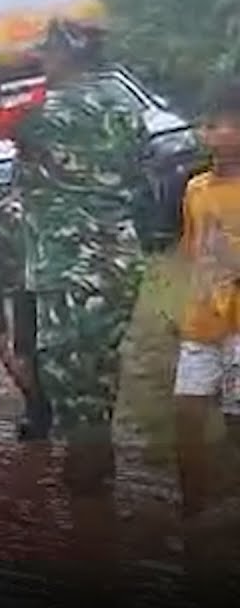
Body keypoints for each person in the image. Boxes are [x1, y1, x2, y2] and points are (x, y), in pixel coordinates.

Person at [12, 19, 155, 555]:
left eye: (45, 51)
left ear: (66, 55)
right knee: (98, 369)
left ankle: (88, 512)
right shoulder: (125, 104)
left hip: (71, 261)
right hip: (118, 256)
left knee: (67, 370)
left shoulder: (47, 111)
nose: (38, 57)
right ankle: (96, 499)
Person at [172, 80, 240, 523]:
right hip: (200, 322)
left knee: (236, 422)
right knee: (186, 414)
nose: (209, 134)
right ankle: (192, 506)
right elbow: (189, 250)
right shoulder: (196, 189)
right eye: (205, 126)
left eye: (219, 125)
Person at [0, 190, 51, 440]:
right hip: (32, 292)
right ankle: (39, 409)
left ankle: (40, 410)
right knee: (28, 355)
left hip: (49, 290)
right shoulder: (7, 215)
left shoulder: (6, 213)